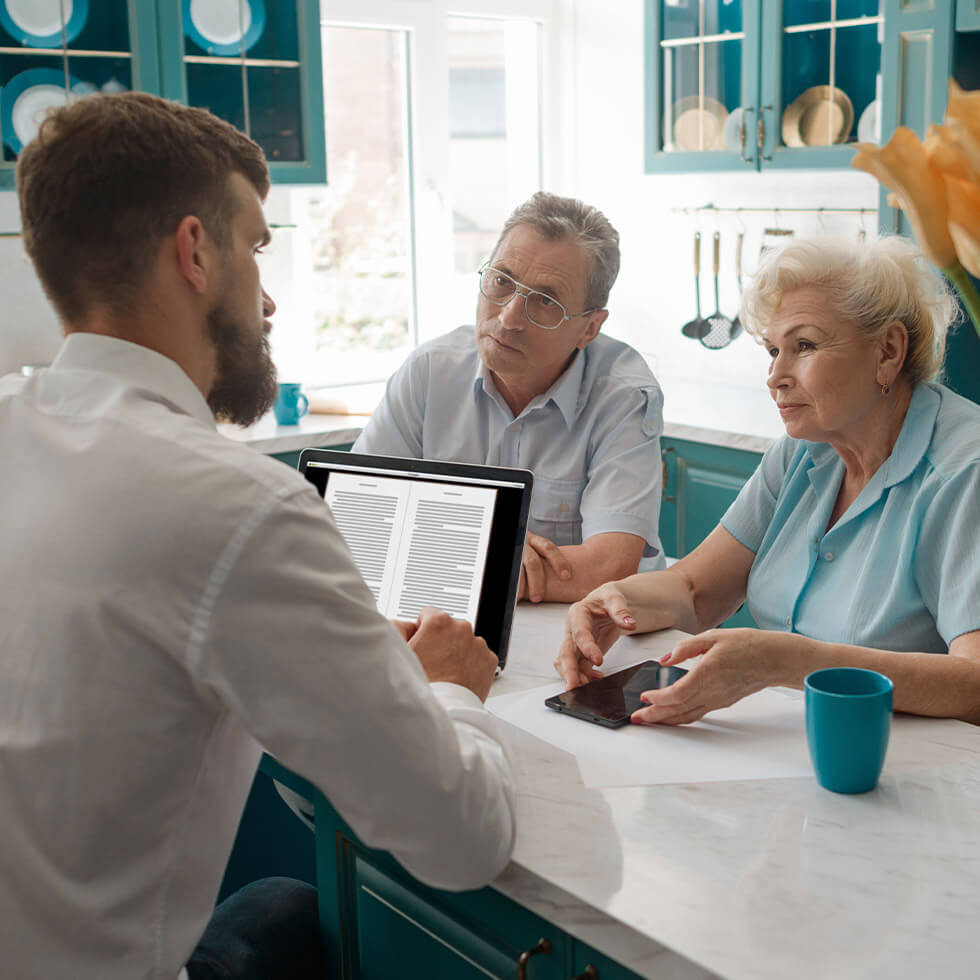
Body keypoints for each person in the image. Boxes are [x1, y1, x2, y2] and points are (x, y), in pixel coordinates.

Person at [0, 93, 516, 980]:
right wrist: (450, 691)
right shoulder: (238, 506)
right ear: (196, 251)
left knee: (286, 907)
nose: (268, 298)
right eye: (257, 247)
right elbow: (462, 840)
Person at [556, 235, 980, 726]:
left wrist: (788, 663)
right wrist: (618, 602)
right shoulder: (804, 449)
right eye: (773, 350)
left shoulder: (963, 474)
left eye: (804, 345)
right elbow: (696, 590)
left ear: (888, 351)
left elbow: (975, 684)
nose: (775, 375)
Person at [353, 192, 666, 603]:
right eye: (501, 281)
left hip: (589, 638)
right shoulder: (430, 371)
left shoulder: (623, 397)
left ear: (589, 329)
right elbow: (357, 520)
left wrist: (435, 557)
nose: (508, 317)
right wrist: (497, 562)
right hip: (450, 616)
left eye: (545, 301)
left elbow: (608, 568)